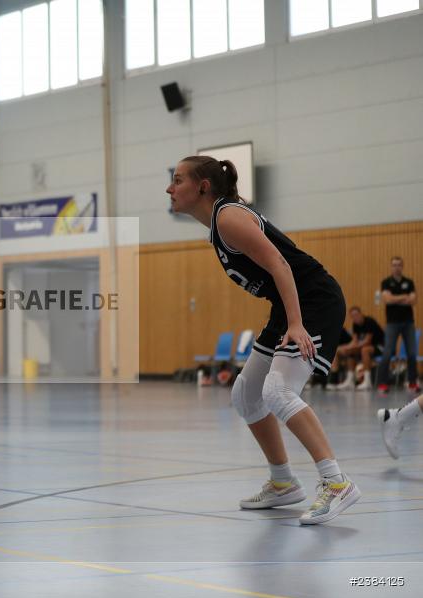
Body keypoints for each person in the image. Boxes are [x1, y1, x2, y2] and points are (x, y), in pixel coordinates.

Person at [166, 156, 361, 525]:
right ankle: (284, 482)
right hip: (288, 305)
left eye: (177, 180)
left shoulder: (228, 218)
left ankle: (336, 483)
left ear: (203, 187)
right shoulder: (219, 224)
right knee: (247, 394)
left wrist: (297, 323)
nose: (169, 188)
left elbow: (281, 265)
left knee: (279, 391)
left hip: (313, 301)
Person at [375, 257, 418, 394]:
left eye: (399, 265)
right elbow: (387, 299)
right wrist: (404, 297)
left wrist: (395, 298)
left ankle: (412, 383)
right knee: (387, 352)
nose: (396, 267)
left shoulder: (409, 282)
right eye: (394, 265)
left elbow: (413, 300)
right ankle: (382, 383)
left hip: (408, 323)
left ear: (402, 266)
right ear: (391, 267)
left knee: (412, 353)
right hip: (392, 323)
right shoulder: (386, 282)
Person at [331, 307, 384, 391]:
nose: (355, 317)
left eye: (356, 315)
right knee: (350, 351)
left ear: (361, 314)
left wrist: (352, 347)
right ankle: (350, 380)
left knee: (364, 350)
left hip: (380, 347)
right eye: (353, 316)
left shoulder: (369, 321)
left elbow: (367, 341)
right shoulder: (355, 325)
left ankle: (367, 381)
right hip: (366, 347)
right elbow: (354, 341)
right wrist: (346, 348)